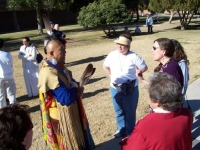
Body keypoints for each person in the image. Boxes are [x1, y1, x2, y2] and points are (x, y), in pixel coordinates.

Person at [38, 36, 94, 150]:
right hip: (61, 121)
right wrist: (75, 90)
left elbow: (72, 84)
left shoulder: (61, 68)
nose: (65, 52)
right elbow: (65, 98)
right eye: (61, 50)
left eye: (64, 49)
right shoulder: (47, 72)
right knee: (67, 146)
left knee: (78, 143)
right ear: (52, 53)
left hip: (72, 116)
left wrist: (77, 87)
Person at [121, 72, 193, 150]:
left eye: (149, 96)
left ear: (158, 102)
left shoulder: (145, 126)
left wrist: (125, 142)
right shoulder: (187, 114)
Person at [103, 33, 148, 138]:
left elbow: (144, 67)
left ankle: (130, 132)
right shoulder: (112, 54)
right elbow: (105, 66)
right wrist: (112, 77)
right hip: (115, 88)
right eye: (118, 44)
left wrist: (140, 70)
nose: (119, 46)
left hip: (130, 89)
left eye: (122, 45)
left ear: (128, 46)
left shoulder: (134, 56)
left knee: (130, 112)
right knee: (118, 110)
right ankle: (121, 129)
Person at [0, 39, 16, 108]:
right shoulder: (7, 54)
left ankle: (2, 110)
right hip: (8, 77)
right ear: (3, 46)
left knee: (1, 96)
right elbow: (11, 64)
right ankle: (13, 110)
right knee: (11, 94)